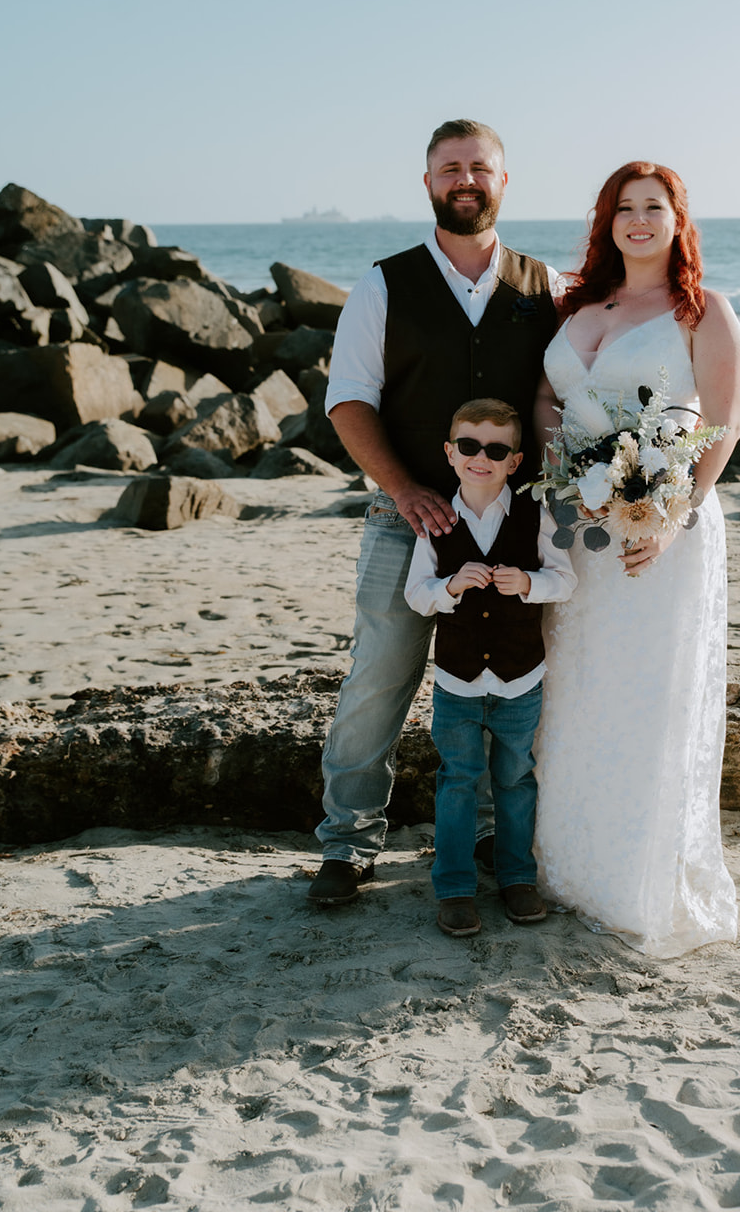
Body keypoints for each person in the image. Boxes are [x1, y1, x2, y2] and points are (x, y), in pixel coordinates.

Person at [309, 120, 558, 906]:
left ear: (503, 181)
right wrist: (403, 490)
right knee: (378, 683)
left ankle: (487, 837)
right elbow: (347, 401)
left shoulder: (543, 284)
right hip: (403, 522)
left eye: (478, 167)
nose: (464, 179)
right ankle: (347, 844)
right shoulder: (385, 284)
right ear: (426, 183)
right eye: (448, 168)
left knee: (497, 682)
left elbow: (569, 396)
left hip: (508, 531)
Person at [532, 161, 740, 957]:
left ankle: (637, 877)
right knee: (577, 688)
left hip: (660, 534)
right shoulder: (579, 304)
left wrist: (672, 513)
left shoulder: (703, 312)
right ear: (606, 220)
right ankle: (568, 868)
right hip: (577, 526)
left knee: (649, 695)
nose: (638, 221)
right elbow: (547, 399)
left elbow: (720, 426)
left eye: (653, 207)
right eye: (624, 208)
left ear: (677, 219)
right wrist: (570, 471)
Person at [403, 398, 576, 937]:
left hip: (520, 677)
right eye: (470, 447)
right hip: (455, 680)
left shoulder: (535, 514)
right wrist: (450, 587)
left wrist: (528, 584)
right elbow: (416, 595)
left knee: (515, 779)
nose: (482, 457)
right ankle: (454, 887)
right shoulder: (437, 520)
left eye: (496, 450)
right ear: (451, 454)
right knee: (457, 780)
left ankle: (516, 878)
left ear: (515, 461)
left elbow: (565, 580)